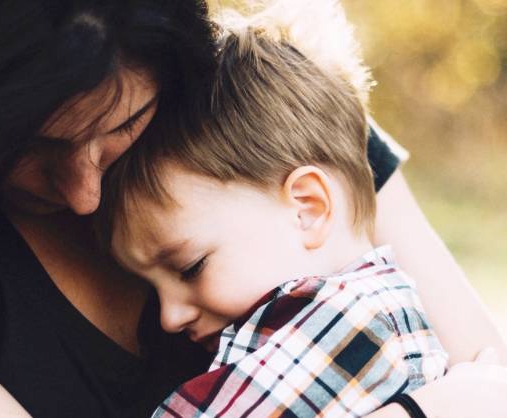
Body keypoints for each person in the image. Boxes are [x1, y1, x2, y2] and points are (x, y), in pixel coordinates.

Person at [0, 1, 507, 418]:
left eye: (122, 125)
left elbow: (496, 387)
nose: (84, 194)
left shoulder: (257, 114)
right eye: (24, 147)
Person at [96, 6, 449, 416]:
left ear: (307, 208)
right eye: (150, 287)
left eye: (190, 267)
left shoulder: (345, 326)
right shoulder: (375, 309)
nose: (169, 318)